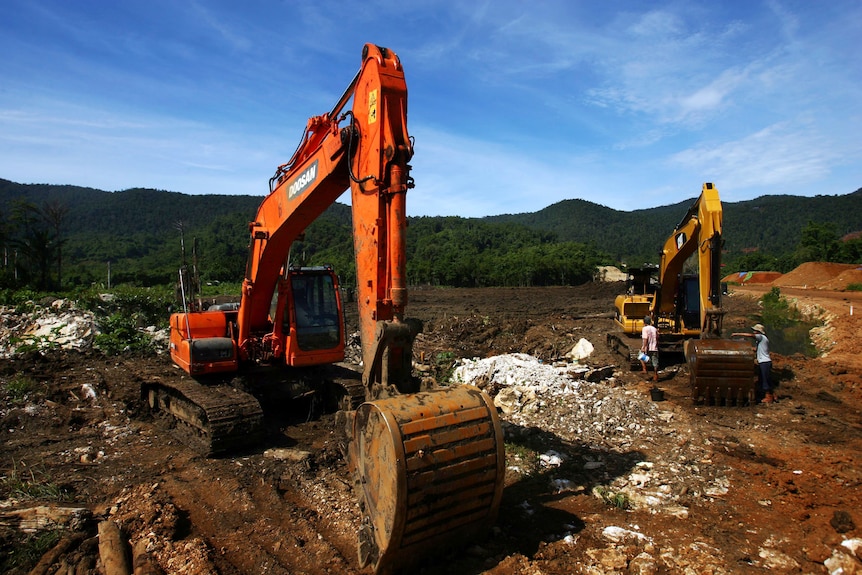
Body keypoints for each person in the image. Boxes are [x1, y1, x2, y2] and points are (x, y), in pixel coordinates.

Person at [732, 323, 774, 403]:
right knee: (763, 379)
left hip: (764, 362)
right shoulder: (762, 340)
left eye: (755, 331)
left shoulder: (761, 337)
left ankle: (769, 397)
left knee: (764, 380)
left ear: (758, 332)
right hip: (765, 362)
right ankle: (771, 395)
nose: (754, 332)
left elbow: (750, 335)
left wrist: (737, 334)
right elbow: (757, 349)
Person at [640, 316, 659, 382]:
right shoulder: (654, 329)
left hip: (648, 348)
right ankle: (655, 375)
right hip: (655, 348)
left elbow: (645, 338)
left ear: (644, 322)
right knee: (655, 362)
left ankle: (644, 369)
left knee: (641, 356)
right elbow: (657, 337)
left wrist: (644, 347)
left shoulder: (644, 329)